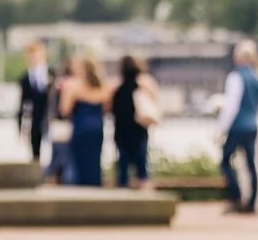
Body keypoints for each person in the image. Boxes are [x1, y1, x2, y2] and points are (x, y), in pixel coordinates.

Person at [217, 38, 258, 213]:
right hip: (252, 125)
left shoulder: (236, 77)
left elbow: (231, 106)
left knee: (225, 161)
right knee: (251, 164)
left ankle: (237, 196)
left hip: (238, 126)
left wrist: (220, 129)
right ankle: (252, 201)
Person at [61, 53, 110, 187]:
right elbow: (107, 108)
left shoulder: (74, 87)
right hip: (97, 128)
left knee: (79, 163)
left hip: (81, 127)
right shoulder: (103, 87)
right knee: (95, 162)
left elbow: (64, 109)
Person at [111, 53, 159, 188]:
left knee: (123, 169)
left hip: (121, 133)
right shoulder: (143, 87)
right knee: (142, 167)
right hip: (139, 133)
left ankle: (122, 197)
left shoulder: (117, 89)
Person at [13, 41, 50, 164]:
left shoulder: (52, 74)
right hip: (35, 119)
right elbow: (23, 105)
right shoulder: (25, 80)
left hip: (50, 117)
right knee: (35, 148)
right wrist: (21, 126)